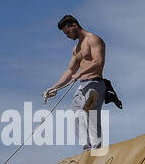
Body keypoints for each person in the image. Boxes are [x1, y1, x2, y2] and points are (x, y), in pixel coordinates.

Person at [44, 14, 107, 151]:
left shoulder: (93, 39)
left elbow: (98, 61)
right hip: (82, 86)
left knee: (89, 112)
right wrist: (54, 87)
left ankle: (97, 147)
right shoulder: (76, 48)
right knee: (76, 116)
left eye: (67, 32)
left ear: (74, 25)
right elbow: (70, 70)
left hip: (95, 84)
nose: (67, 36)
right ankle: (87, 148)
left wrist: (80, 73)